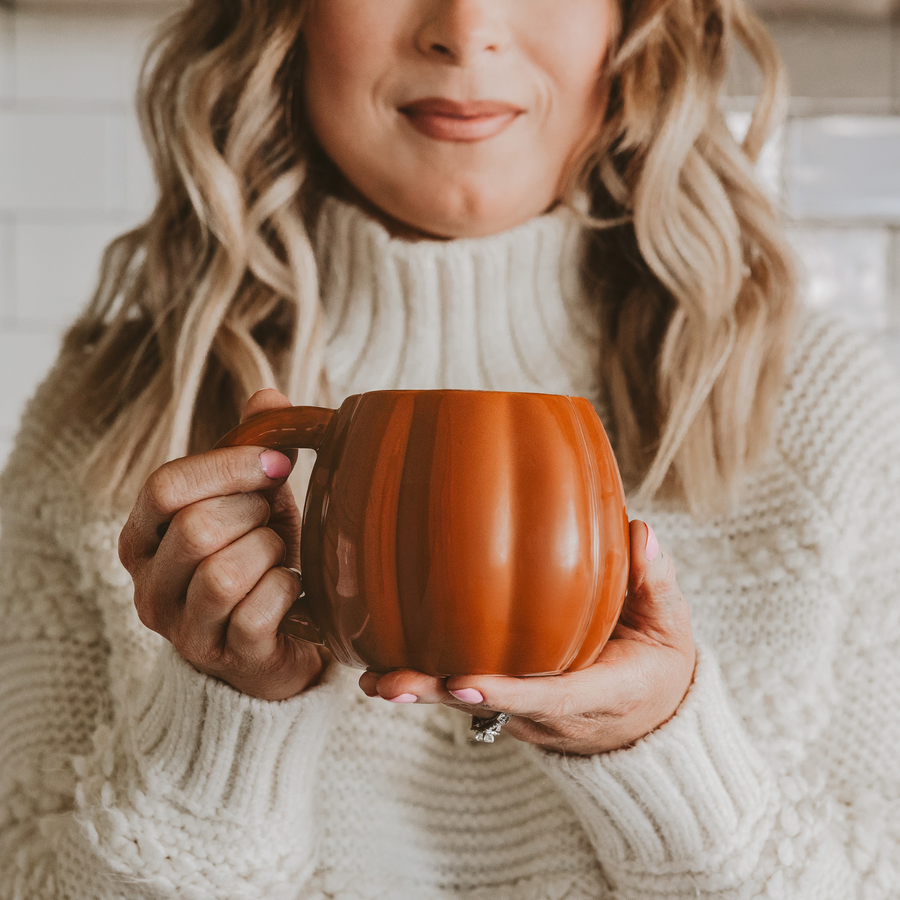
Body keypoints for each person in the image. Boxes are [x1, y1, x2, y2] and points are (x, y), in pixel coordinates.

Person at [1, 0, 898, 896]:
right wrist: (224, 721)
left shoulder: (829, 417)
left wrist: (659, 751)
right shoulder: (104, 425)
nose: (467, 31)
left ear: (632, 26)